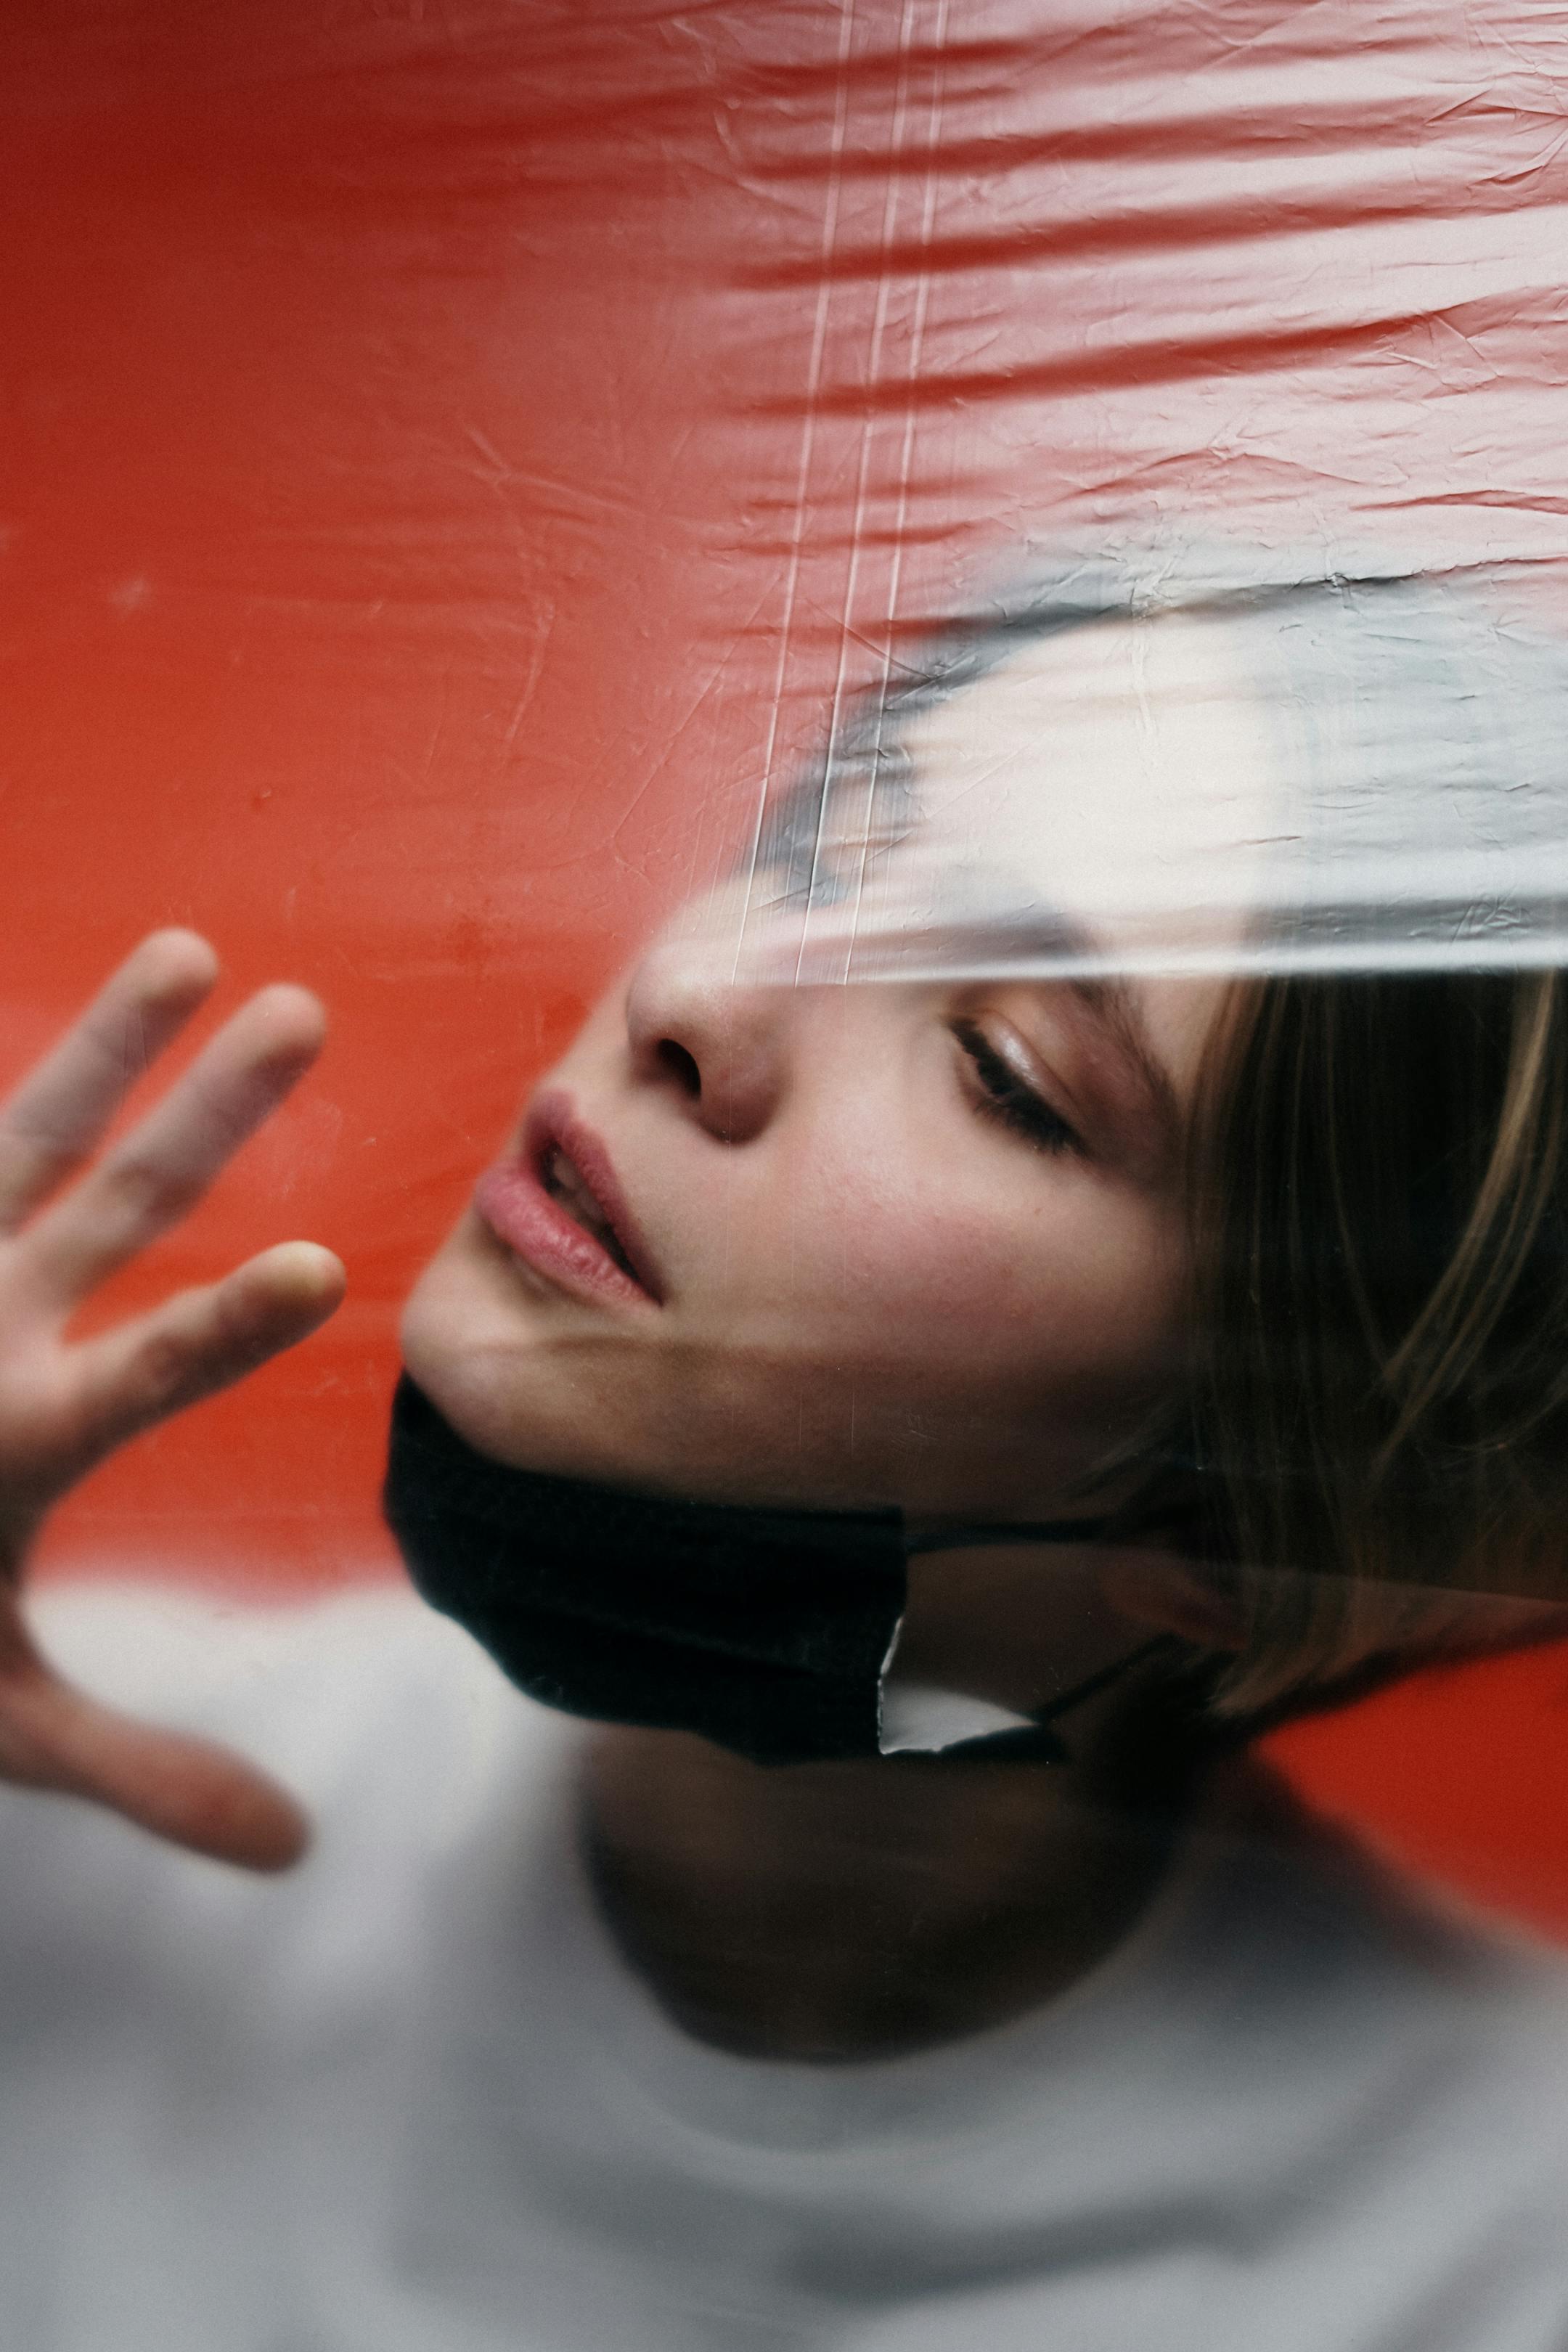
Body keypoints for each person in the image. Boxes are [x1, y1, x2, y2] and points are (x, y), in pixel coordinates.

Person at [1, 560, 1567, 2349]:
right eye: (829, 846)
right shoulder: (82, 1831)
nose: (694, 982)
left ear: (1234, 1532)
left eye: (999, 1067)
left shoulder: (1503, 2264)